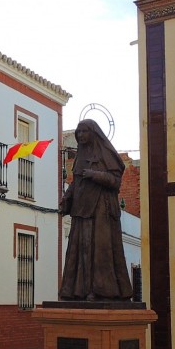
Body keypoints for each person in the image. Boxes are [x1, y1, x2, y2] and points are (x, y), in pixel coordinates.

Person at [59, 119, 133, 301]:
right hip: (81, 209)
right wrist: (66, 200)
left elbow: (115, 182)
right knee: (80, 250)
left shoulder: (107, 154)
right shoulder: (80, 156)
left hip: (101, 210)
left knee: (100, 250)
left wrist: (95, 175)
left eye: (84, 132)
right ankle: (78, 291)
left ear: (94, 133)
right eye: (79, 133)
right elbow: (76, 183)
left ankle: (102, 290)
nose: (81, 136)